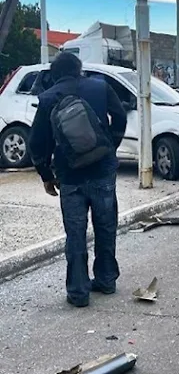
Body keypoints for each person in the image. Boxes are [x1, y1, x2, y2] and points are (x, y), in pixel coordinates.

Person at [28, 53, 127, 307]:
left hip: (70, 176)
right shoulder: (100, 87)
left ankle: (78, 292)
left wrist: (46, 176)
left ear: (55, 73)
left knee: (75, 233)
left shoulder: (49, 98)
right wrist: (109, 147)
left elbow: (38, 142)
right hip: (103, 171)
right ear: (79, 69)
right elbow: (121, 118)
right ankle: (105, 280)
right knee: (105, 226)